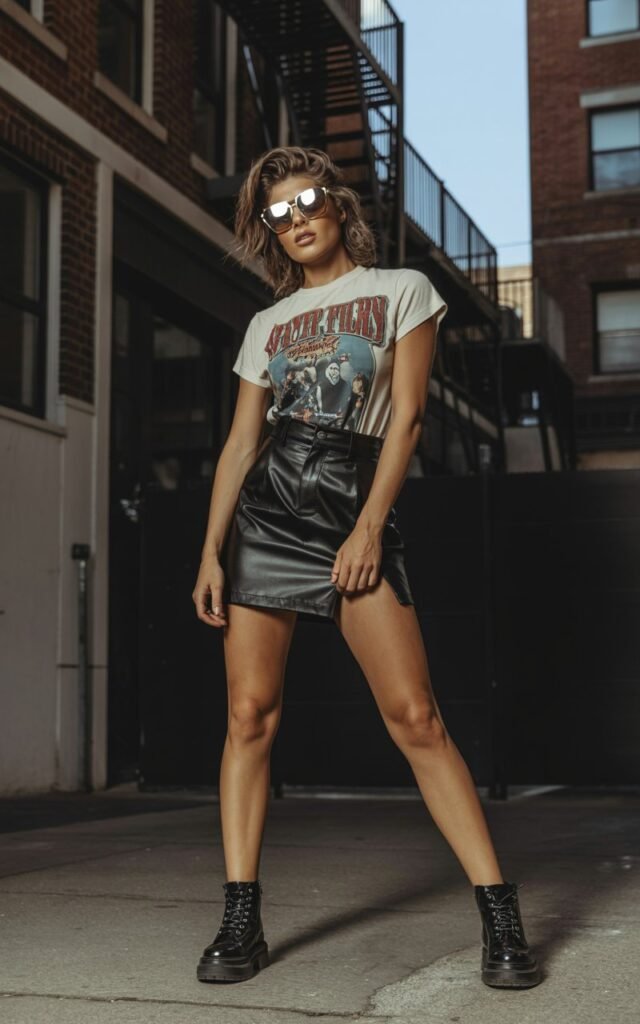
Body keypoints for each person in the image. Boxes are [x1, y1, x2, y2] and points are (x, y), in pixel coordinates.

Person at [191, 146, 541, 990]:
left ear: (336, 205)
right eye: (278, 211)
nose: (297, 217)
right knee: (249, 716)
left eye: (308, 200)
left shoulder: (399, 293)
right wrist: (209, 550)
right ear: (269, 230)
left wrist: (369, 528)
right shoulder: (266, 326)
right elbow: (243, 442)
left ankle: (501, 915)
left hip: (355, 497)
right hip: (268, 510)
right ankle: (241, 915)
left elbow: (409, 416)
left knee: (416, 717)